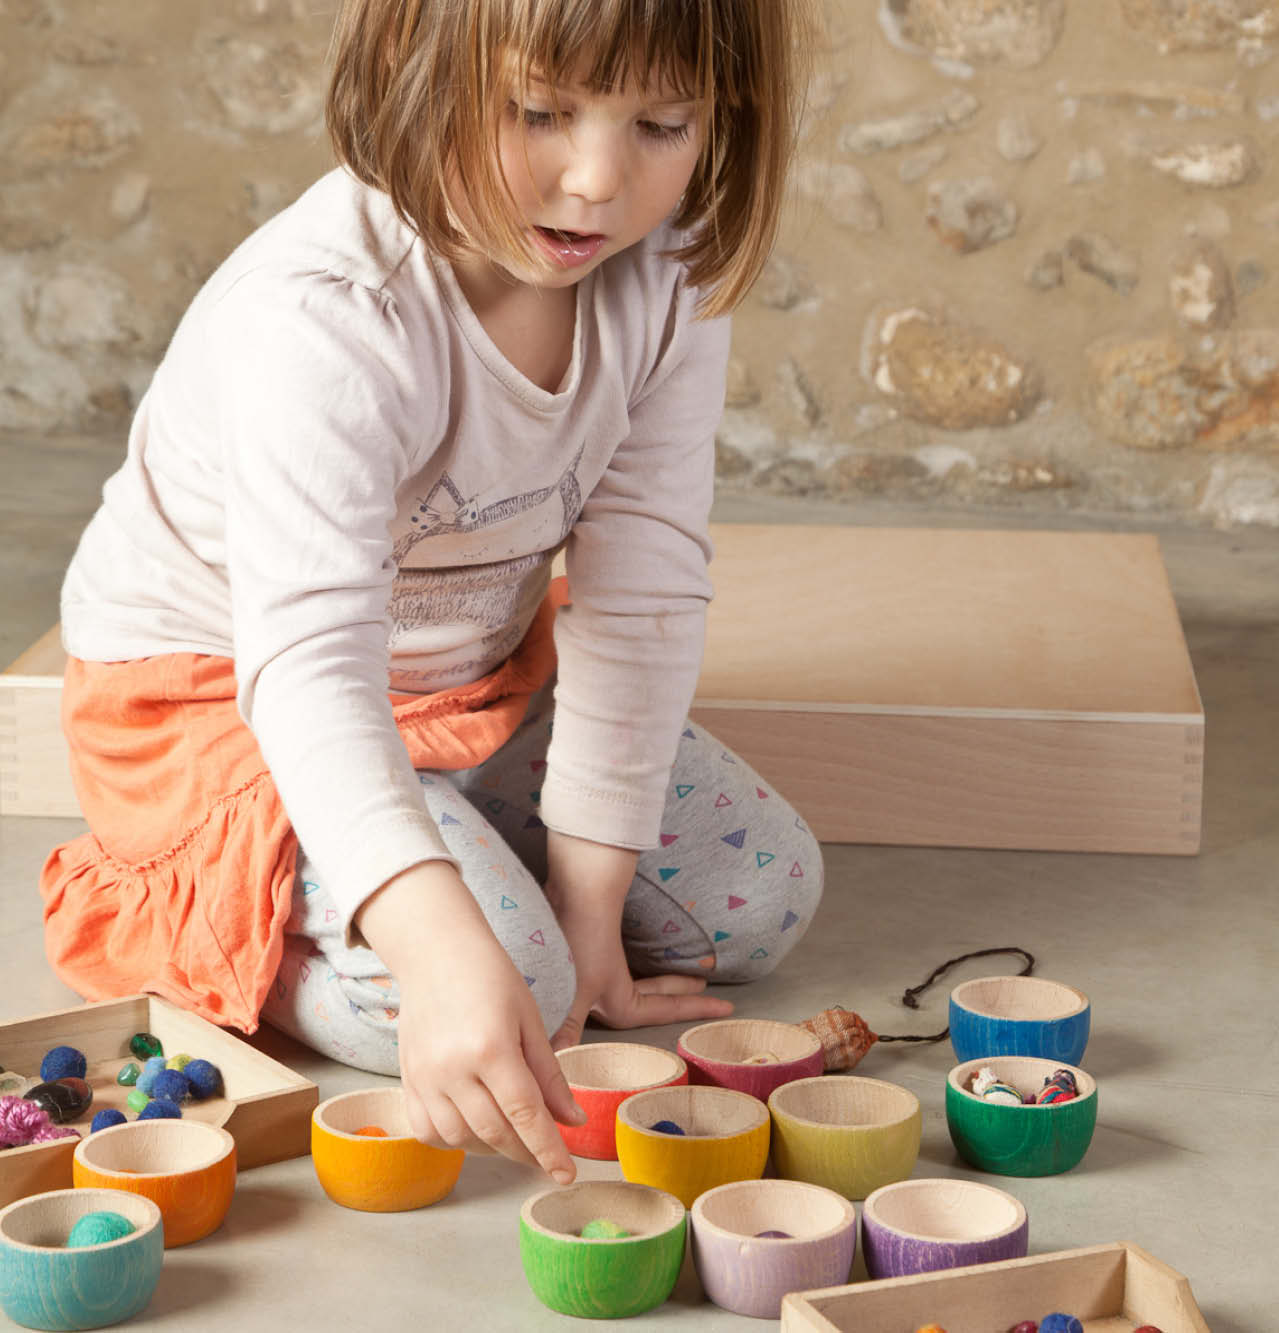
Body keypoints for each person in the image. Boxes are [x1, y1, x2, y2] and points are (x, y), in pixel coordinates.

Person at [41, 0, 822, 1187]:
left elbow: (643, 584)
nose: (597, 180)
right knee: (510, 979)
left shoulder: (665, 267)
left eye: (663, 124)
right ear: (417, 66)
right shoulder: (326, 311)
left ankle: (439, 847)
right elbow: (307, 668)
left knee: (763, 899)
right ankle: (219, 915)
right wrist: (446, 947)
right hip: (230, 707)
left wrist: (592, 897)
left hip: (471, 681)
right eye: (538, 112)